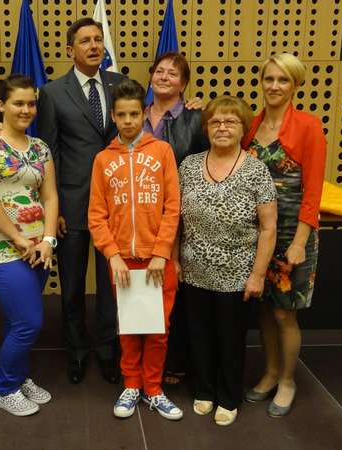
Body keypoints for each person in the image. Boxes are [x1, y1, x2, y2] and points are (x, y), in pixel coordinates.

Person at [178, 95, 277, 426]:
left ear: (243, 128)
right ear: (206, 128)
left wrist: (258, 275)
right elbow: (174, 218)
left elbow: (268, 227)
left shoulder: (256, 170)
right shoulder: (188, 165)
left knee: (230, 338)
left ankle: (228, 396)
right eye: (215, 122)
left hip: (237, 273)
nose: (222, 127)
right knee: (199, 334)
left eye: (230, 121)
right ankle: (204, 390)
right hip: (193, 269)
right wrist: (174, 258)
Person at [87, 79, 183, 420]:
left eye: (133, 114)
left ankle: (153, 389)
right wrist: (112, 255)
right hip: (123, 262)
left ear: (143, 113)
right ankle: (131, 385)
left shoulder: (162, 152)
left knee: (158, 329)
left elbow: (172, 207)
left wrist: (161, 252)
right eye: (121, 115)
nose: (128, 121)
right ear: (113, 116)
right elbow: (96, 215)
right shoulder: (102, 160)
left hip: (157, 260)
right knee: (128, 327)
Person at [38, 17, 126, 385]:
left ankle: (107, 350)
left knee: (111, 285)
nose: (94, 46)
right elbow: (49, 153)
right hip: (72, 204)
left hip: (115, 204)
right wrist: (53, 208)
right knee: (72, 285)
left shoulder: (120, 84)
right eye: (85, 40)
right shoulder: (53, 93)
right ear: (70, 49)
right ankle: (75, 351)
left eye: (98, 39)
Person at [241, 52, 327, 417]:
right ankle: (271, 372)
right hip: (258, 234)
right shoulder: (251, 125)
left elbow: (313, 191)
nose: (274, 86)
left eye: (283, 80)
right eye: (269, 78)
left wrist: (300, 242)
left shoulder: (308, 126)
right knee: (263, 309)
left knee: (283, 314)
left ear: (295, 85)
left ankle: (288, 380)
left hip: (293, 232)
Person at [0, 74, 56, 417]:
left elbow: (50, 196)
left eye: (31, 103)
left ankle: (19, 377)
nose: (26, 110)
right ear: (2, 105)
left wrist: (47, 239)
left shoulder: (40, 147)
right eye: (18, 103)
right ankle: (4, 390)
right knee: (29, 322)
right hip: (2, 249)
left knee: (16, 319)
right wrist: (19, 238)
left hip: (38, 251)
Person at [145, 50, 208, 385]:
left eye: (173, 73)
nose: (164, 77)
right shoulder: (136, 115)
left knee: (178, 289)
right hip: (141, 216)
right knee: (146, 289)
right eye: (159, 71)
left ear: (183, 84)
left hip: (183, 216)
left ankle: (177, 360)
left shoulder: (196, 118)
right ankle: (146, 362)